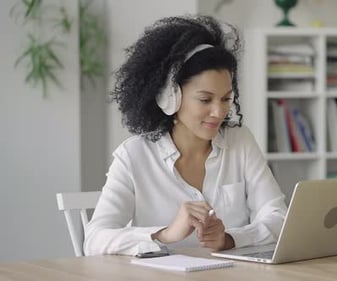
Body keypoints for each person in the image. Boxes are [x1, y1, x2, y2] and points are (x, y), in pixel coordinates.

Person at [83, 15, 287, 256]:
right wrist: (165, 234)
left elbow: (278, 218)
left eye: (225, 99)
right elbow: (95, 240)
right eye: (205, 99)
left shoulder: (240, 142)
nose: (219, 111)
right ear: (171, 97)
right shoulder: (134, 155)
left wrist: (230, 239)